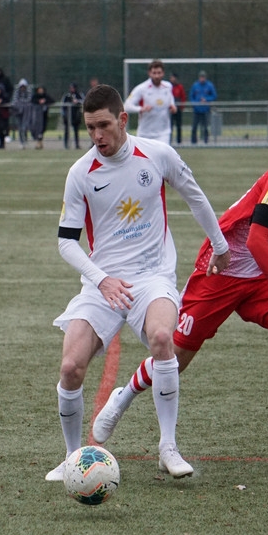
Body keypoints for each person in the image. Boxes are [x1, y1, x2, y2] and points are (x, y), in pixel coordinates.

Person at [93, 128, 268, 475]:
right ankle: (123, 397)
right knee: (174, 360)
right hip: (220, 270)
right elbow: (256, 241)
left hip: (260, 281)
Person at [46, 84, 231, 482]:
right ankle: (72, 456)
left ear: (123, 119)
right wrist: (102, 280)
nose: (97, 136)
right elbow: (65, 241)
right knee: (70, 367)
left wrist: (219, 245)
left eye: (105, 126)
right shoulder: (80, 173)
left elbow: (195, 198)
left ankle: (168, 448)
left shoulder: (158, 154)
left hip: (152, 277)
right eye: (90, 128)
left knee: (164, 340)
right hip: (102, 284)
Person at [123, 58, 176, 143]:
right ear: (149, 73)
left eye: (159, 73)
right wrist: (141, 109)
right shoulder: (141, 88)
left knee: (161, 155)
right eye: (154, 73)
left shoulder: (168, 86)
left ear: (163, 73)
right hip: (145, 134)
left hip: (163, 133)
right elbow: (126, 106)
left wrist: (173, 107)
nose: (157, 76)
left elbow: (170, 100)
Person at [189, 70, 217, 145]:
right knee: (194, 126)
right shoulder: (195, 85)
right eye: (201, 77)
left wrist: (207, 99)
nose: (202, 79)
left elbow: (214, 96)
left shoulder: (209, 85)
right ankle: (193, 141)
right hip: (197, 110)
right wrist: (194, 104)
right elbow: (191, 96)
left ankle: (206, 141)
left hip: (205, 109)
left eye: (203, 77)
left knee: (205, 127)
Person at [60, 82, 84, 149]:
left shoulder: (79, 94)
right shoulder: (67, 95)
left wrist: (77, 101)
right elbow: (63, 105)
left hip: (76, 115)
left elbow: (83, 101)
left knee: (76, 131)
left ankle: (77, 144)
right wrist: (64, 114)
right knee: (66, 131)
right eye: (71, 88)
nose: (72, 89)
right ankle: (66, 145)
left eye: (73, 88)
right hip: (68, 116)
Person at [11, 79, 33, 148]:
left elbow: (29, 100)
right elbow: (15, 100)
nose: (23, 88)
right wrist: (20, 104)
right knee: (20, 127)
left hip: (26, 112)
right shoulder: (17, 91)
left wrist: (21, 103)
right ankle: (21, 141)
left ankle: (25, 139)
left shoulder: (29, 91)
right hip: (18, 111)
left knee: (25, 126)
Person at [31, 84, 51, 149]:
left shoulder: (46, 96)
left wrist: (45, 101)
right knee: (37, 130)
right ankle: (38, 143)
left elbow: (51, 100)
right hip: (37, 117)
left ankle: (40, 143)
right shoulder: (35, 97)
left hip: (44, 116)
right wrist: (38, 101)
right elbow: (32, 101)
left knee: (42, 130)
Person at [169, 72, 187, 145]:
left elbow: (183, 97)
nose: (172, 79)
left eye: (173, 77)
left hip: (178, 109)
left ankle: (179, 141)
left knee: (179, 125)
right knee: (170, 125)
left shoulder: (180, 87)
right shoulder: (168, 87)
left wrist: (182, 106)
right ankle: (169, 140)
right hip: (170, 110)